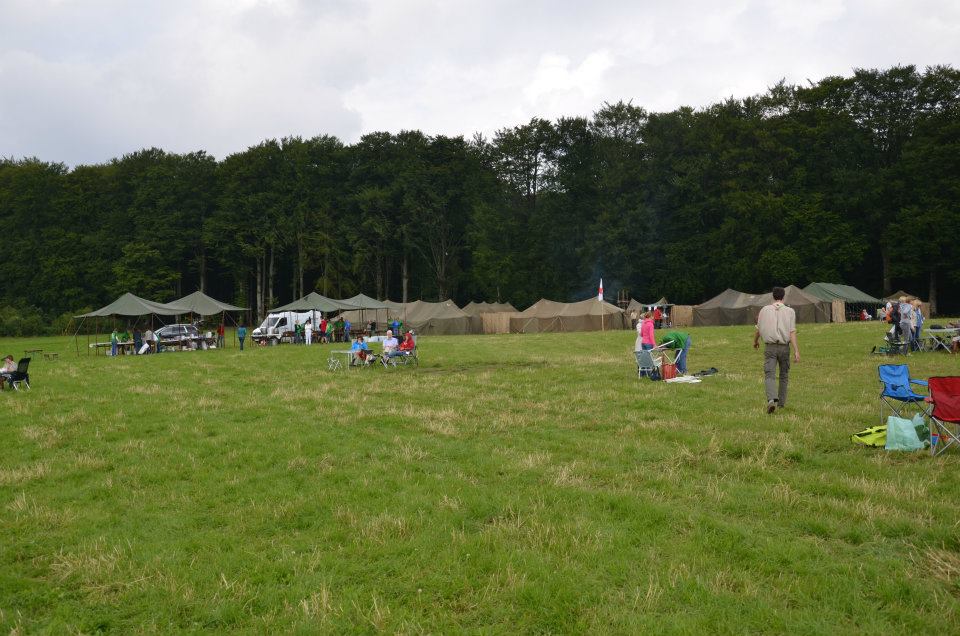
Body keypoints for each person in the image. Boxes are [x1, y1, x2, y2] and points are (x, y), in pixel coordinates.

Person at [753, 286, 800, 414]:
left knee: (770, 375)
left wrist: (755, 341)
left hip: (770, 347)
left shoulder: (764, 310)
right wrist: (796, 351)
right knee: (784, 376)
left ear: (772, 296)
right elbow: (792, 333)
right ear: (783, 296)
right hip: (785, 347)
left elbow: (758, 329)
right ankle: (781, 403)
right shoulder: (790, 311)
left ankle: (771, 400)